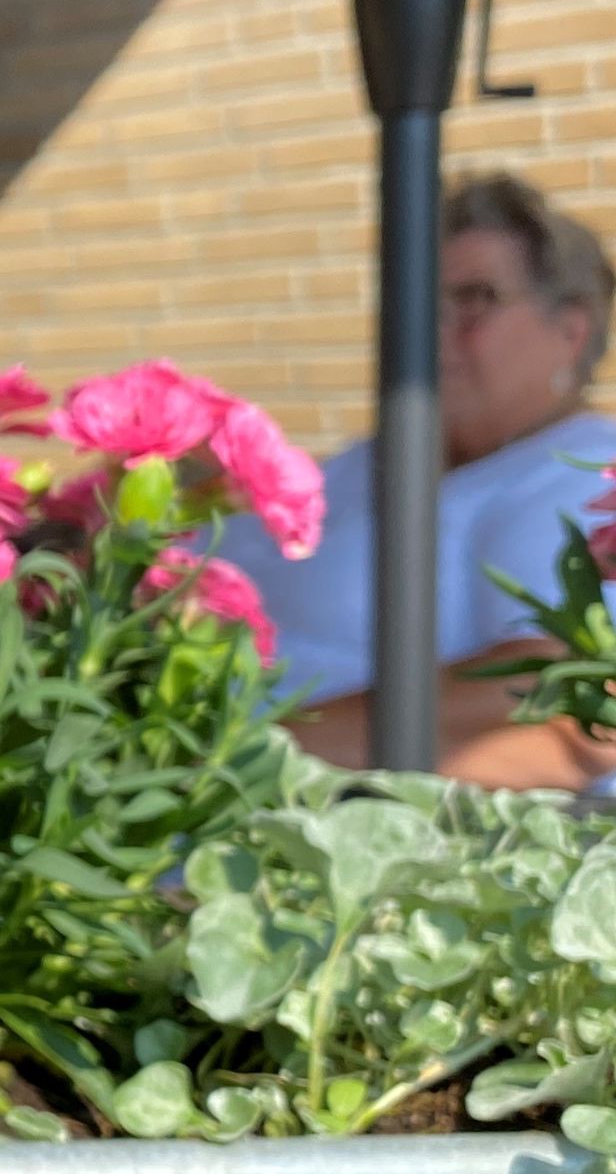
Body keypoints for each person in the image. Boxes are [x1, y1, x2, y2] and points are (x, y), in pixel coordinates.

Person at [219, 173, 616, 789]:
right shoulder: (381, 455)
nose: (431, 329)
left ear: (571, 330)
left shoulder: (580, 471)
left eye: (475, 298)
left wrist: (246, 757)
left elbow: (565, 687)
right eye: (420, 300)